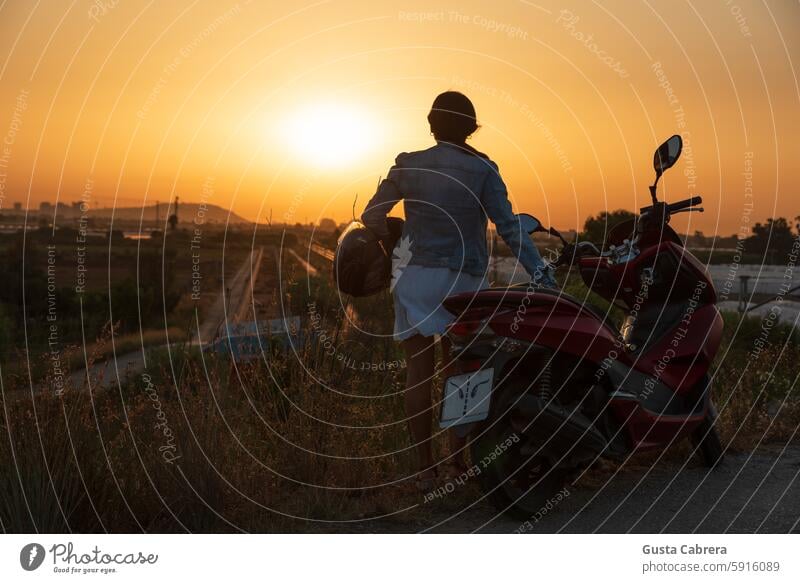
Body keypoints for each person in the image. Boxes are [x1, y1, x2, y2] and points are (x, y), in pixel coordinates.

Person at [361, 91, 556, 489]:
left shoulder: (408, 164)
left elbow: (371, 214)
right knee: (464, 373)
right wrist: (541, 275)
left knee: (418, 371)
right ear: (471, 127)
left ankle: (423, 472)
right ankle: (458, 463)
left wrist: (391, 243)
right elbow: (509, 227)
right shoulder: (484, 170)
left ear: (432, 124)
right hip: (464, 284)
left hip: (414, 278)